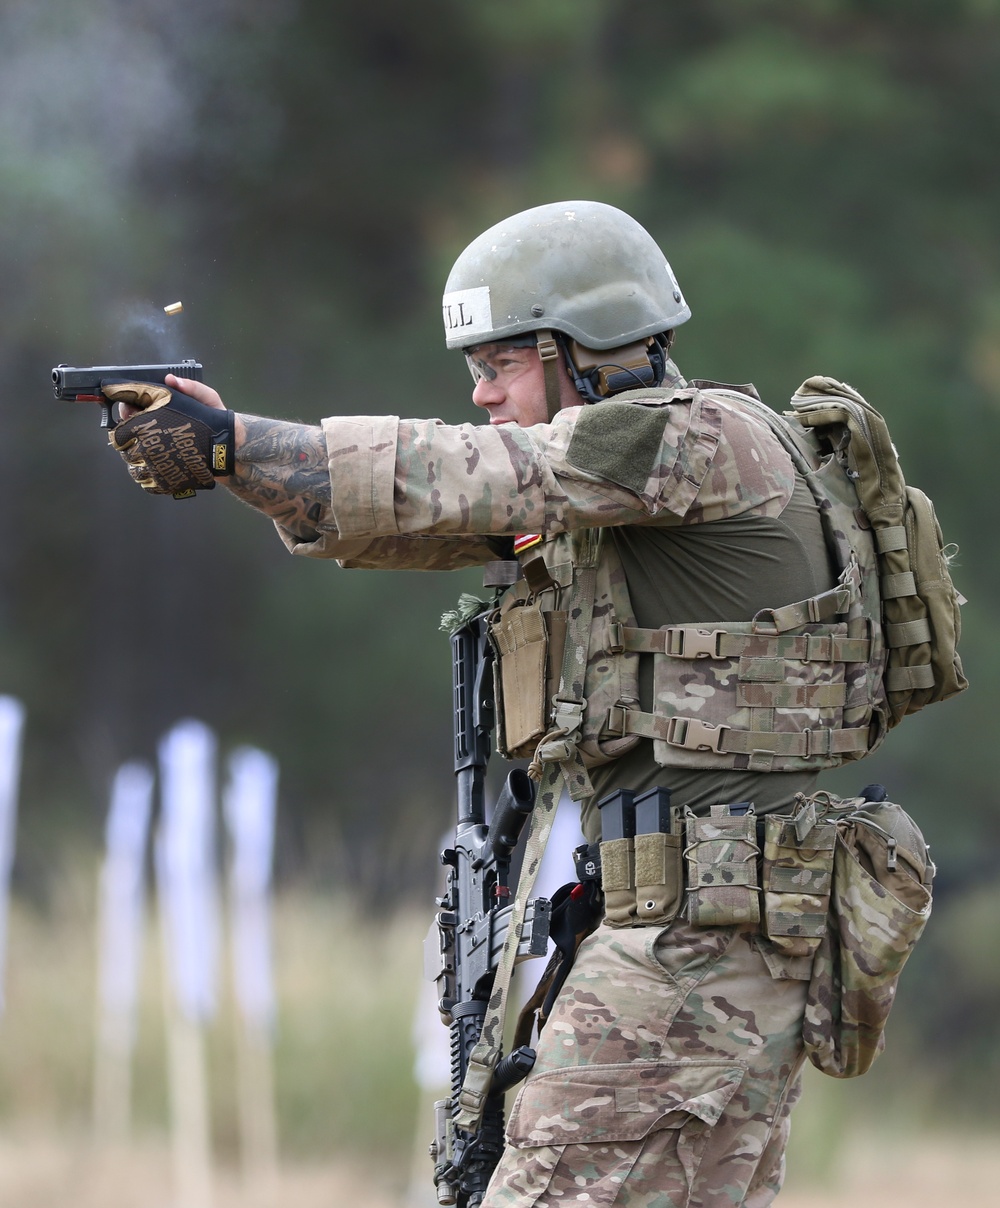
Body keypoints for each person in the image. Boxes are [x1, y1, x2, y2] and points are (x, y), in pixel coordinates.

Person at [104, 201, 889, 1207]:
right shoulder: (612, 495)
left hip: (686, 953)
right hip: (662, 942)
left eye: (503, 362)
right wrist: (236, 462)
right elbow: (409, 517)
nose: (479, 393)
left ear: (590, 346)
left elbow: (474, 475)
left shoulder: (695, 441)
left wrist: (234, 442)